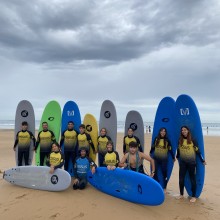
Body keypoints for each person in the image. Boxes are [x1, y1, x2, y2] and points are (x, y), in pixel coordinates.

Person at [176, 126, 206, 203]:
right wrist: (176, 156)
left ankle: (193, 196)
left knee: (192, 179)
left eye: (185, 130)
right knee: (181, 178)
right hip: (182, 162)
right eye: (182, 130)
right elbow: (178, 150)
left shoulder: (193, 140)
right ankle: (181, 194)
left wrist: (202, 160)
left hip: (191, 163)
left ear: (188, 131)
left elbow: (198, 151)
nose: (183, 131)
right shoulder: (180, 140)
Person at [150, 127, 175, 193]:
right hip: (156, 158)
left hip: (164, 159)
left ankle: (164, 188)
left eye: (164, 131)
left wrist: (173, 157)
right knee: (154, 172)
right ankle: (156, 186)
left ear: (165, 133)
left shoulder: (167, 140)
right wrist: (150, 153)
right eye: (161, 131)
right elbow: (153, 147)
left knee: (164, 173)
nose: (163, 132)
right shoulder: (156, 139)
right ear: (160, 132)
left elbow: (170, 149)